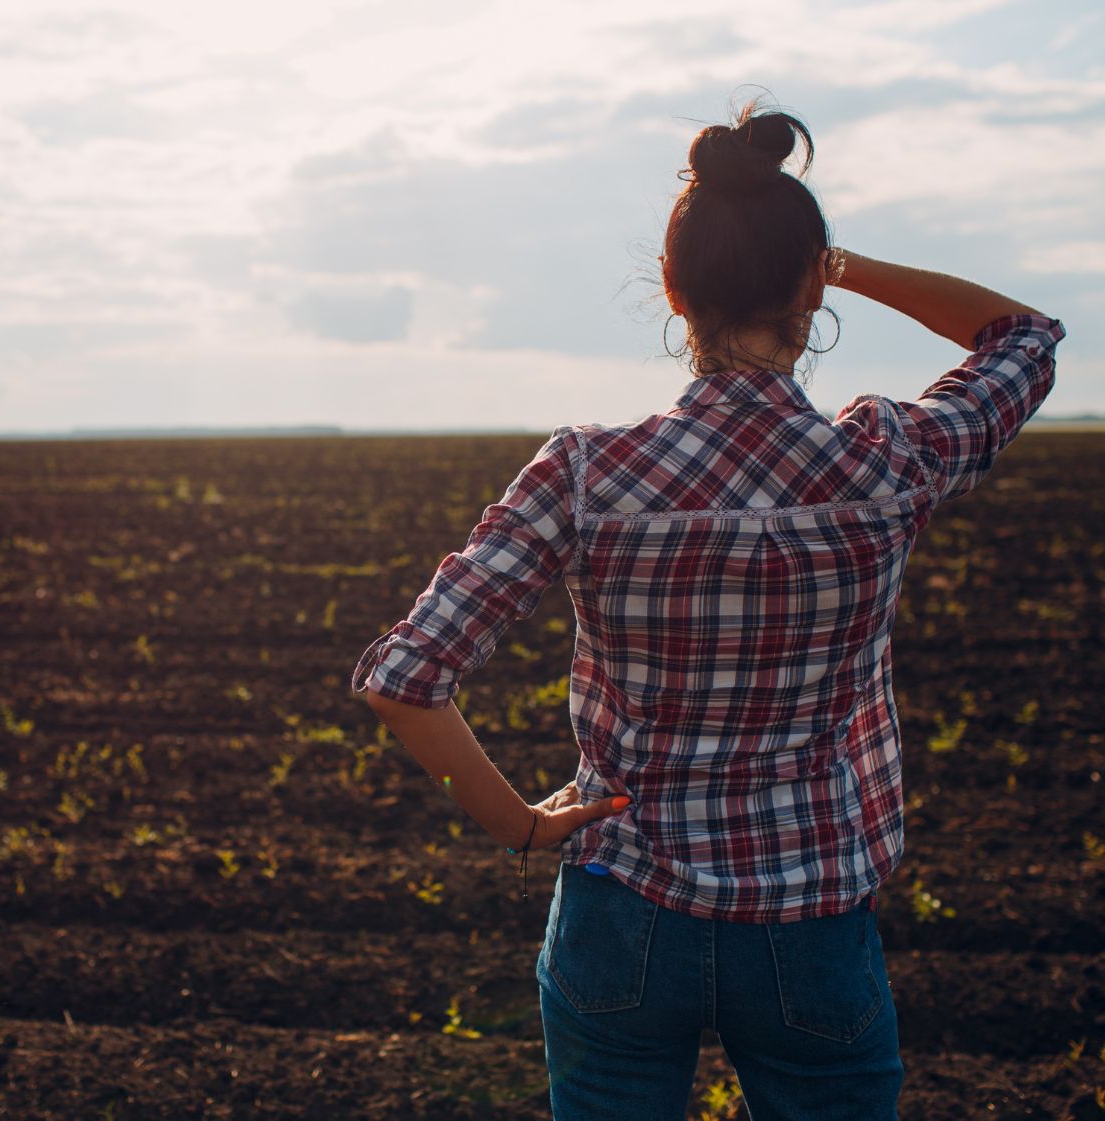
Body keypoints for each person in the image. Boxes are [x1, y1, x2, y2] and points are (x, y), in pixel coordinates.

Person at [352, 99, 1065, 1121]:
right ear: (808, 286)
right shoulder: (887, 460)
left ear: (673, 293)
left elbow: (405, 677)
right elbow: (1022, 336)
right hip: (813, 915)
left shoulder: (587, 471)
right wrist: (838, 262)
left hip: (621, 911)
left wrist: (518, 824)